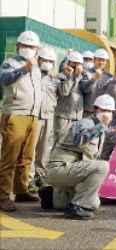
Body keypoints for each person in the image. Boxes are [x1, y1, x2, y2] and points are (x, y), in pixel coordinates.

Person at [39, 94, 115, 220]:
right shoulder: (85, 123)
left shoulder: (101, 129)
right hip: (60, 168)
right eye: (103, 110)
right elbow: (78, 140)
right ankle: (78, 207)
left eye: (110, 111)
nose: (107, 114)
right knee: (102, 166)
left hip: (72, 170)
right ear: (95, 110)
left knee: (95, 202)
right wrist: (101, 126)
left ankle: (51, 196)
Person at [0, 30, 42, 211]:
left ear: (37, 48)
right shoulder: (10, 63)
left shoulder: (38, 67)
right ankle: (2, 195)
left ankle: (21, 189)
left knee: (26, 157)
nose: (28, 49)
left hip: (33, 116)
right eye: (25, 45)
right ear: (18, 46)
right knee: (9, 157)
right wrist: (24, 69)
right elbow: (4, 79)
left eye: (32, 46)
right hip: (15, 115)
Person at [28, 47, 58, 192]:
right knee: (31, 148)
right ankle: (28, 179)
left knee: (44, 149)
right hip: (34, 115)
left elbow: (63, 92)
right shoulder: (32, 75)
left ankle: (40, 177)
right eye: (44, 60)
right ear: (38, 60)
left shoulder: (54, 79)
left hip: (49, 116)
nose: (47, 63)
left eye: (50, 61)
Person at [53, 51, 90, 145]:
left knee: (71, 145)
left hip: (77, 118)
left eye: (79, 64)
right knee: (58, 143)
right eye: (74, 63)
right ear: (69, 63)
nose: (76, 66)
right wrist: (73, 76)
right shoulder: (61, 76)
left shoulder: (84, 78)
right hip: (63, 117)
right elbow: (64, 91)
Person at [81, 48, 113, 117]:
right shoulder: (86, 73)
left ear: (106, 62)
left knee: (101, 128)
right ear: (94, 60)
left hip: (102, 113)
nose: (101, 62)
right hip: (88, 112)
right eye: (99, 60)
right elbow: (84, 89)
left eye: (103, 60)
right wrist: (94, 78)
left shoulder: (109, 77)